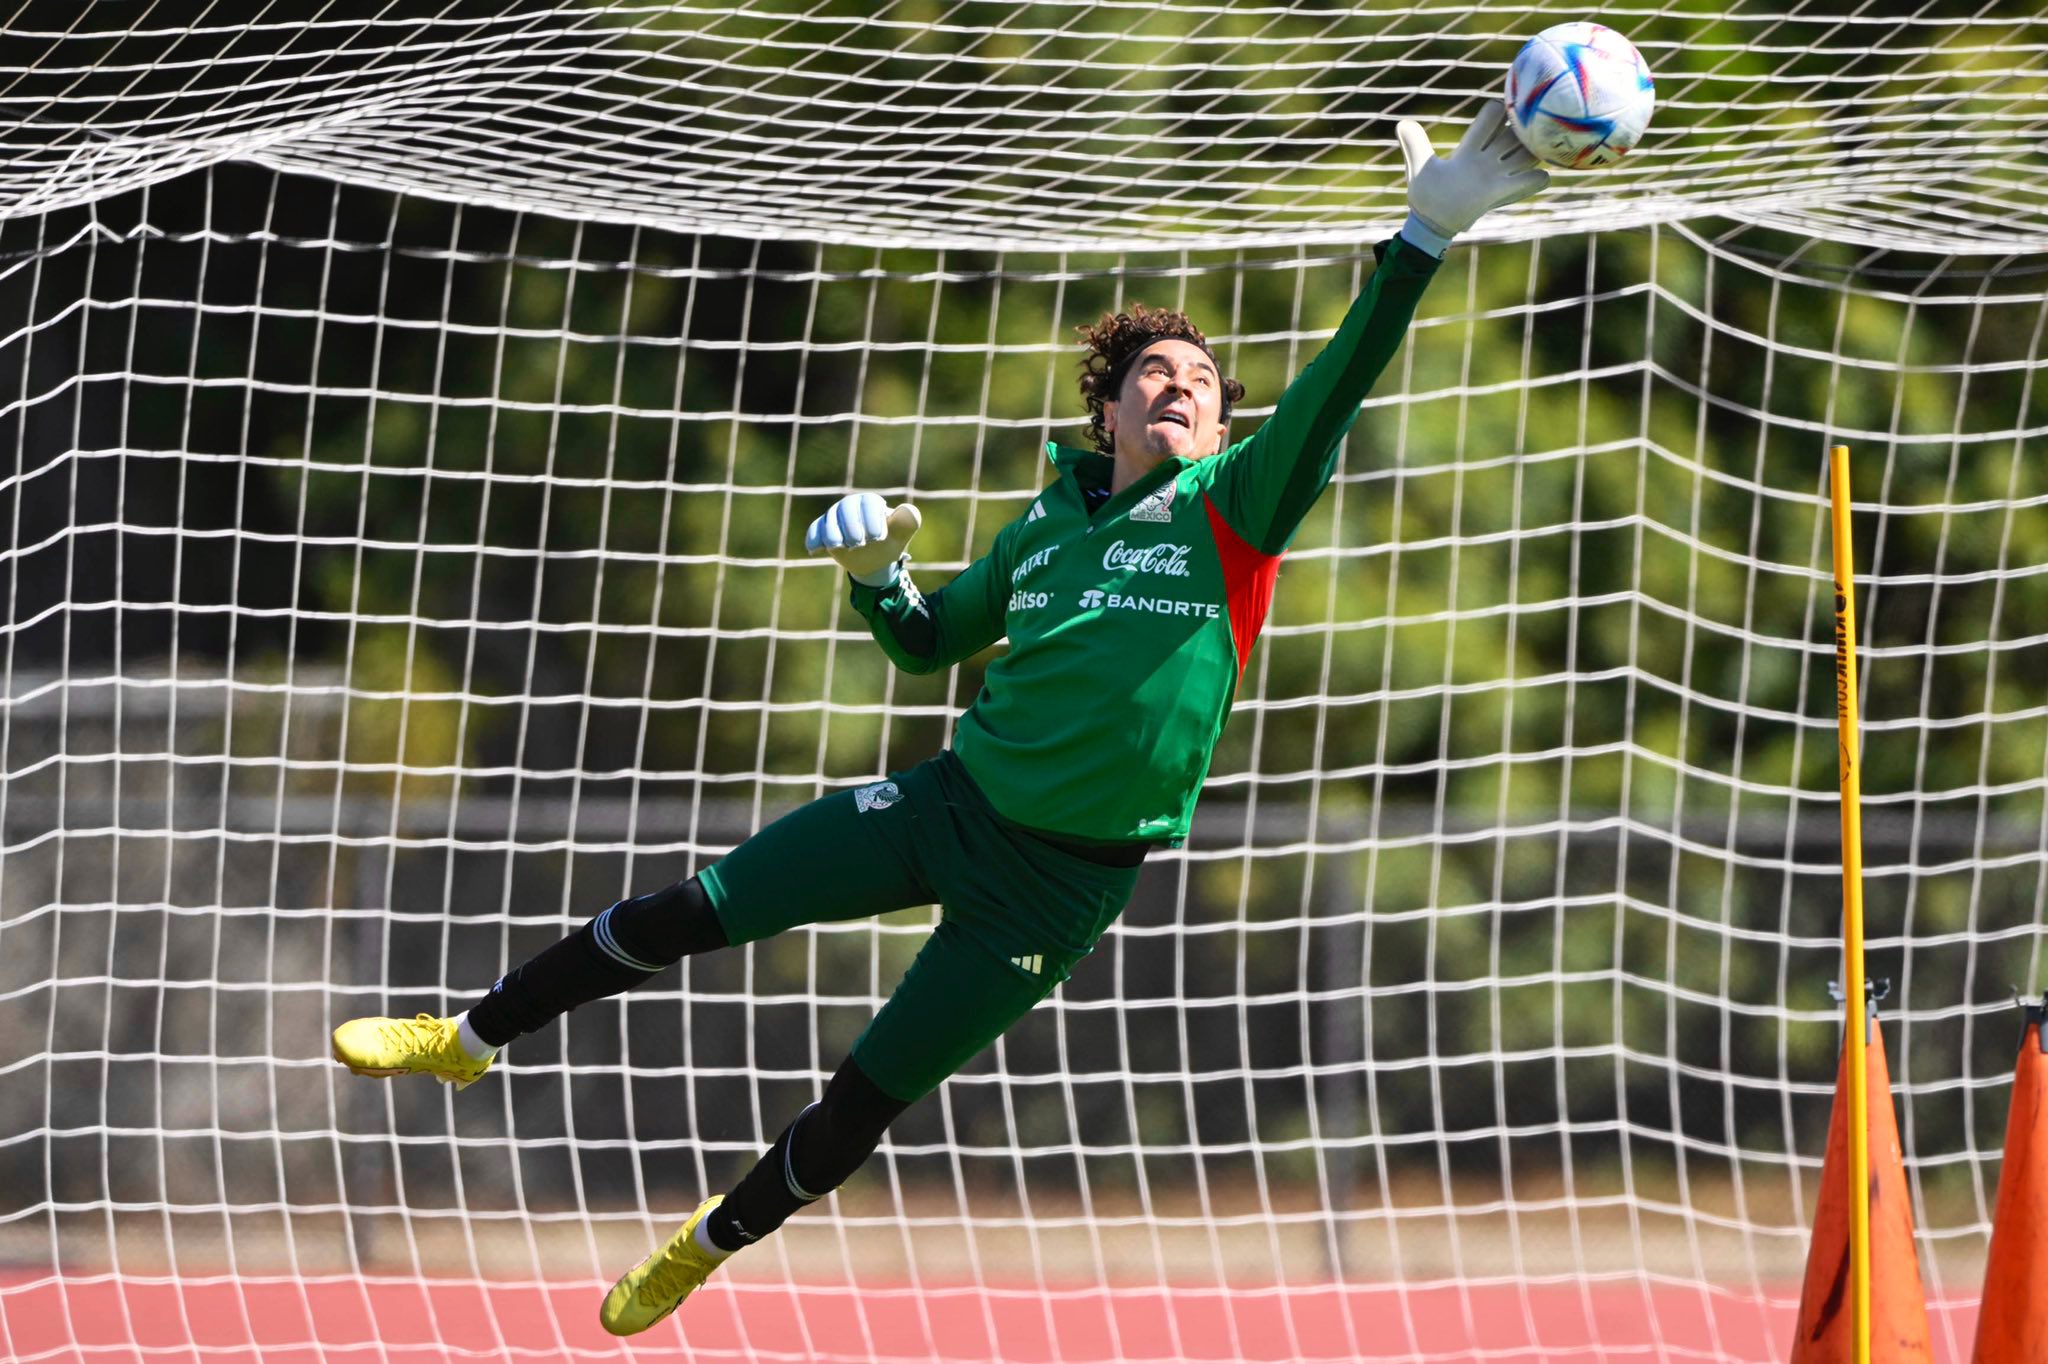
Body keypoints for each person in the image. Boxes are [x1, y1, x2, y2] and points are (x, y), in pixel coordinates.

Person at [330, 105, 1547, 1336]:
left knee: (862, 1096)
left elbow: (1334, 390)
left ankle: (704, 1243)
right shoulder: (1040, 527)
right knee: (691, 907)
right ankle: (471, 1031)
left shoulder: (1235, 509)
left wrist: (1421, 235)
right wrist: (874, 580)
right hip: (942, 807)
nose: (1179, 388)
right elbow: (927, 643)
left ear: (1224, 429)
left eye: (1200, 386)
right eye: (1152, 376)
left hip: (1057, 891)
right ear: (1109, 415)